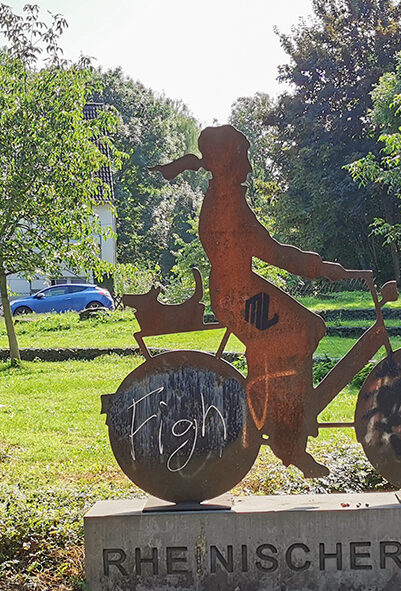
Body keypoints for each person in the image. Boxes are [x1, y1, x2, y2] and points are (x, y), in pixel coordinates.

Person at [152, 125, 370, 478]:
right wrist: (326, 268)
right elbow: (274, 253)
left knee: (310, 328)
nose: (250, 169)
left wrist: (321, 267)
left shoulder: (225, 197)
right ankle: (282, 431)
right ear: (228, 161)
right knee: (297, 334)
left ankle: (289, 417)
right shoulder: (227, 205)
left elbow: (270, 250)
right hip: (238, 296)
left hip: (242, 289)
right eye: (245, 158)